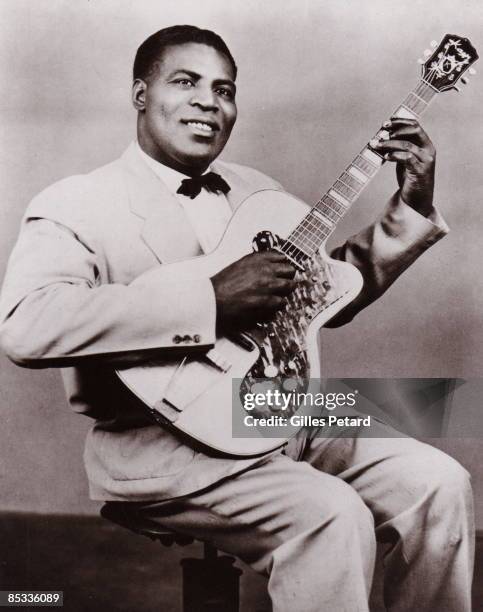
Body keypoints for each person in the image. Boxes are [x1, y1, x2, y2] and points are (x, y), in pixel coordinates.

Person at [0, 25, 473, 612]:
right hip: (159, 441)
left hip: (279, 411)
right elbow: (26, 323)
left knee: (439, 481)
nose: (208, 101)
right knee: (330, 515)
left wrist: (414, 205)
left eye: (224, 90)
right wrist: (210, 301)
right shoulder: (75, 201)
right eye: (186, 82)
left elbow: (326, 296)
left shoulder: (260, 194)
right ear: (140, 94)